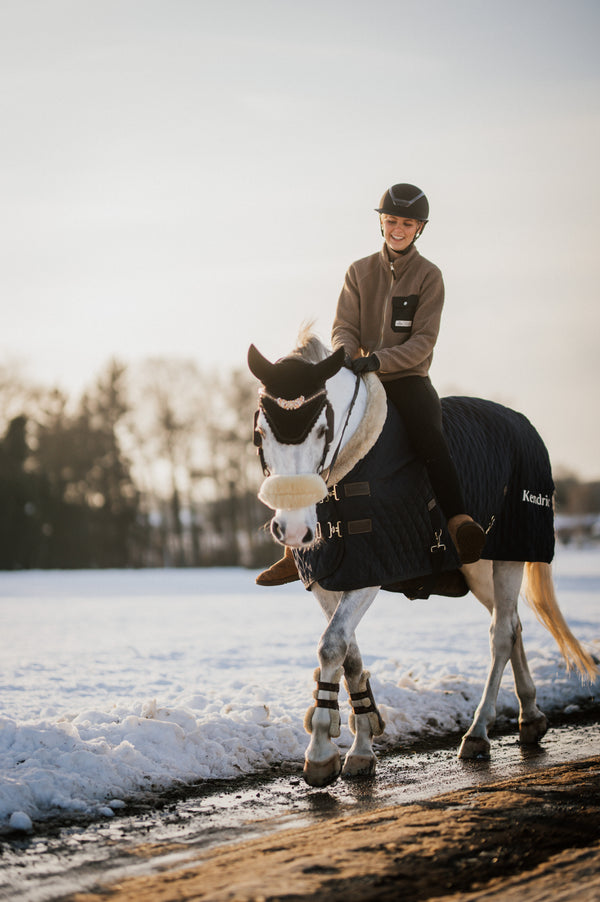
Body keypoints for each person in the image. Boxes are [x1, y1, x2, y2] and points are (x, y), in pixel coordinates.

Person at [257, 183, 485, 586]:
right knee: (315, 444)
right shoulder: (358, 271)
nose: (398, 229)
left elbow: (423, 342)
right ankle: (296, 550)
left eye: (407, 223)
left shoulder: (430, 276)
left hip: (406, 379)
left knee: (432, 439)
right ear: (381, 222)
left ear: (419, 229)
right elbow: (344, 325)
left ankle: (457, 521)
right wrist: (347, 355)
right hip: (359, 374)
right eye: (392, 221)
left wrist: (379, 360)